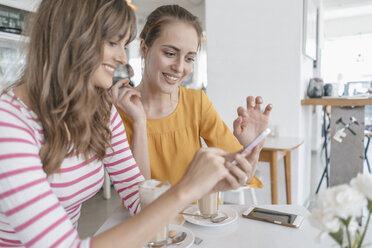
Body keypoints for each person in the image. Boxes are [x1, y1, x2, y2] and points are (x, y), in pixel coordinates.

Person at [0, 0, 259, 247]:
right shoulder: (9, 123)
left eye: (124, 44)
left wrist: (204, 185)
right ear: (70, 38)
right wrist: (186, 188)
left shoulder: (100, 111)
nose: (123, 58)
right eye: (113, 42)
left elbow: (138, 197)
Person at [114, 4, 272, 186]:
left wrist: (251, 148)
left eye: (189, 58)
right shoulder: (119, 112)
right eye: (170, 53)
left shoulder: (196, 103)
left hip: (200, 215)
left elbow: (243, 177)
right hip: (153, 215)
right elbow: (139, 194)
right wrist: (139, 122)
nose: (180, 68)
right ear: (143, 48)